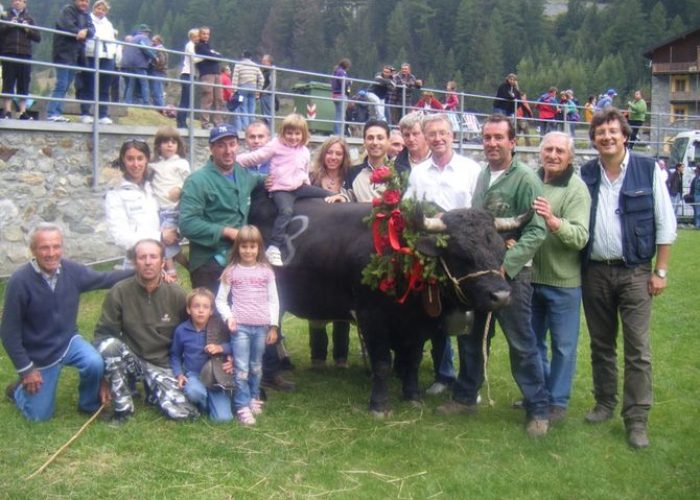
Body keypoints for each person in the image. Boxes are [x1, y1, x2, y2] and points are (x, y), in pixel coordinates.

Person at [437, 114, 550, 438]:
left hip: (511, 275)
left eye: (499, 137)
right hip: (481, 275)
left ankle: (538, 409)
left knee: (521, 343)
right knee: (471, 337)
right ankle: (464, 397)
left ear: (512, 142)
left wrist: (507, 263)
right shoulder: (484, 175)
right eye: (487, 137)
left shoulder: (526, 178)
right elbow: (477, 225)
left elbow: (536, 230)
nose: (492, 143)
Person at [580, 108, 676, 449]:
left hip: (635, 271)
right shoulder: (586, 173)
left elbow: (666, 224)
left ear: (624, 135)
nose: (606, 137)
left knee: (638, 350)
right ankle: (605, 403)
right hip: (594, 271)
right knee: (601, 345)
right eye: (600, 132)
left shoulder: (647, 170)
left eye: (612, 131)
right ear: (593, 139)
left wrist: (660, 271)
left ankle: (636, 420)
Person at [179, 124, 295, 392]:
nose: (228, 150)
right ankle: (215, 375)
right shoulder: (197, 181)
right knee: (215, 318)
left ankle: (266, 371)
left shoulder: (244, 175)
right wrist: (226, 231)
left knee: (254, 310)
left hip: (240, 260)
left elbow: (266, 180)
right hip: (208, 260)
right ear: (212, 149)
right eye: (221, 144)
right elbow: (187, 224)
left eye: (232, 144)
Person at [1, 223, 132, 421]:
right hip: (40, 355)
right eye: (45, 247)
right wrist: (26, 369)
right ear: (33, 250)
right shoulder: (19, 282)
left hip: (68, 342)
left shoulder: (71, 271)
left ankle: (89, 404)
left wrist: (143, 271)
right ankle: (18, 390)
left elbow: (105, 278)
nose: (51, 253)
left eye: (56, 246)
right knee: (39, 417)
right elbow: (8, 333)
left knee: (94, 362)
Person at [403, 113, 481, 395]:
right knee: (434, 310)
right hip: (430, 251)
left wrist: (448, 218)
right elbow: (408, 204)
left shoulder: (470, 169)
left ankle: (469, 380)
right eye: (432, 133)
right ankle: (444, 374)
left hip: (462, 253)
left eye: (442, 133)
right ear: (425, 137)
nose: (437, 138)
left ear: (452, 135)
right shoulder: (419, 171)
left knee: (465, 317)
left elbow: (477, 209)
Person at [95, 239, 199, 423]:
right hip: (132, 360)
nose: (148, 262)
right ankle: (123, 409)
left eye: (153, 257)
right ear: (135, 262)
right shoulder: (119, 292)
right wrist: (103, 377)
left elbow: (193, 332)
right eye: (142, 257)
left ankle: (153, 392)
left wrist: (186, 370)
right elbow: (103, 334)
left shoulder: (177, 294)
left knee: (184, 414)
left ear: (162, 261)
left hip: (162, 363)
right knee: (109, 345)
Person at [530, 132, 591, 423]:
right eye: (548, 149)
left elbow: (580, 237)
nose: (553, 155)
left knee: (563, 346)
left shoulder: (577, 190)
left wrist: (554, 222)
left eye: (559, 151)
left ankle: (557, 401)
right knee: (532, 342)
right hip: (530, 279)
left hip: (563, 282)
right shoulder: (531, 181)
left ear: (570, 157)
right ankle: (539, 394)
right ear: (540, 152)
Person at [236, 113, 333, 266]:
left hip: (300, 187)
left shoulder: (305, 151)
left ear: (303, 134)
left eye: (297, 133)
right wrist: (236, 160)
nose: (293, 137)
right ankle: (274, 246)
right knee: (286, 211)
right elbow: (256, 157)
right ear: (283, 133)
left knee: (327, 194)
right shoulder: (276, 145)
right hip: (281, 189)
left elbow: (304, 171)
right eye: (289, 133)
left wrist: (307, 186)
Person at [215, 225, 279, 425]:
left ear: (259, 248)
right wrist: (229, 317)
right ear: (237, 248)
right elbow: (220, 300)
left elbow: (273, 300)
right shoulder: (231, 272)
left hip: (260, 326)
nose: (248, 251)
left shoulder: (266, 272)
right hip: (240, 327)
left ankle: (253, 396)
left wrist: (273, 326)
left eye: (252, 246)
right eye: (244, 246)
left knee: (256, 366)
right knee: (241, 367)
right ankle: (242, 405)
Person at [308, 137, 353, 367]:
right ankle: (317, 355)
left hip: (344, 246)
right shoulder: (312, 177)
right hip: (316, 243)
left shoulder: (350, 178)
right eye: (330, 153)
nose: (333, 157)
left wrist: (344, 197)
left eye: (338, 153)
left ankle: (341, 356)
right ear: (323, 154)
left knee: (342, 300)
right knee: (317, 295)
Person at [105, 140, 176, 267]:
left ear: (147, 159)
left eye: (140, 158)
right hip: (135, 263)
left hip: (161, 261)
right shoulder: (115, 194)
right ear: (123, 160)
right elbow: (120, 237)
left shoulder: (154, 187)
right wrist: (159, 236)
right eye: (130, 159)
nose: (136, 164)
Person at [170, 287, 233, 422]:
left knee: (223, 419)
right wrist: (179, 374)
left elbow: (233, 346)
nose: (200, 310)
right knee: (195, 392)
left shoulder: (219, 328)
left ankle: (216, 402)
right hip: (194, 375)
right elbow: (175, 355)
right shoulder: (181, 330)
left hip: (216, 377)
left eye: (205, 307)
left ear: (211, 311)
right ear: (188, 309)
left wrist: (220, 348)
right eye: (196, 306)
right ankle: (202, 402)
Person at [149, 126, 191, 276]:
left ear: (178, 145)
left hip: (173, 209)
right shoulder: (154, 165)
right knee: (160, 240)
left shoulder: (181, 164)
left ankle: (171, 270)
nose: (169, 145)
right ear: (158, 145)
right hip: (158, 209)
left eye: (173, 142)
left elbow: (189, 183)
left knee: (165, 239)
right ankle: (187, 266)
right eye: (165, 142)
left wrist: (179, 189)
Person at [46, 0, 94, 122]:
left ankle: (58, 112)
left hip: (76, 55)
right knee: (61, 84)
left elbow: (92, 30)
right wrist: (78, 32)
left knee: (66, 85)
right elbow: (66, 25)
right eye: (82, 0)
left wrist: (85, 32)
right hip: (63, 52)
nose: (84, 3)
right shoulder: (68, 10)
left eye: (86, 1)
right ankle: (52, 113)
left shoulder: (86, 15)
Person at [0, 0, 41, 120]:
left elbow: (38, 37)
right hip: (9, 52)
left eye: (20, 0)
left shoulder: (29, 18)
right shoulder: (5, 15)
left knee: (24, 83)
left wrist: (27, 29)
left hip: (25, 54)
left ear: (25, 3)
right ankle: (7, 111)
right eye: (15, 0)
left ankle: (22, 112)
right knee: (8, 82)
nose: (17, 3)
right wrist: (9, 25)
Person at [77, 0, 116, 124]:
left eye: (103, 9)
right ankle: (85, 113)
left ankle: (102, 114)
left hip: (107, 56)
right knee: (89, 85)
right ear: (94, 8)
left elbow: (112, 40)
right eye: (98, 8)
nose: (100, 11)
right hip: (91, 55)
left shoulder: (108, 24)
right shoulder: (87, 19)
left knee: (104, 87)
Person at [346, 119, 395, 202]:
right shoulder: (352, 172)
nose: (375, 142)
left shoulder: (400, 171)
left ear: (388, 141)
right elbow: (346, 199)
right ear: (364, 141)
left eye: (380, 138)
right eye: (370, 138)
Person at [195, 26, 224, 129]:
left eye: (208, 34)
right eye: (204, 34)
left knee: (219, 98)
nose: (206, 36)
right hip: (207, 73)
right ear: (199, 35)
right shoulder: (199, 46)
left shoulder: (208, 46)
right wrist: (215, 56)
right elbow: (210, 56)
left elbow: (216, 57)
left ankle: (218, 121)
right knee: (208, 98)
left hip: (216, 73)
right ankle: (205, 122)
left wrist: (214, 56)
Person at [122, 24, 155, 106]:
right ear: (144, 32)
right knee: (144, 83)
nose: (148, 34)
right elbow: (145, 48)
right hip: (139, 64)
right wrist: (154, 57)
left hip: (130, 64)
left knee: (131, 84)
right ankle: (146, 103)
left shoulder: (133, 38)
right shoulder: (143, 38)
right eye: (147, 32)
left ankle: (127, 102)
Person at [231, 50, 264, 131]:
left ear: (243, 56)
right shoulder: (255, 66)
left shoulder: (238, 65)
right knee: (252, 108)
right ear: (251, 57)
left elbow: (235, 78)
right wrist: (258, 90)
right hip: (253, 88)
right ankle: (253, 127)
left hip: (242, 88)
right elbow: (261, 79)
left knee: (243, 107)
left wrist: (234, 90)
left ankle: (246, 128)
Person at [176, 28, 200, 129]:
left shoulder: (194, 46)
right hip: (187, 74)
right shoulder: (190, 45)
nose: (198, 38)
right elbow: (194, 58)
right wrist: (206, 58)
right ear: (192, 37)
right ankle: (181, 122)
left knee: (187, 99)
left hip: (192, 74)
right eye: (196, 36)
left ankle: (182, 121)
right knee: (185, 100)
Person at [331, 58, 351, 135]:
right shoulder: (342, 72)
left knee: (337, 115)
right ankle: (339, 134)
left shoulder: (335, 72)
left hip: (335, 95)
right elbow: (344, 84)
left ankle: (336, 132)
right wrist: (349, 82)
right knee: (341, 117)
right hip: (341, 95)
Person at [148, 34, 168, 108]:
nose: (152, 42)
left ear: (159, 41)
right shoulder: (156, 49)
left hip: (158, 72)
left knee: (157, 92)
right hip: (158, 72)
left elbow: (162, 61)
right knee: (156, 91)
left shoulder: (160, 50)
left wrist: (154, 65)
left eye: (154, 41)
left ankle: (161, 109)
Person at [259, 54, 274, 125]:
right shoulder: (264, 72)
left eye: (264, 61)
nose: (262, 62)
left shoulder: (271, 71)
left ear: (269, 62)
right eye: (262, 61)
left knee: (267, 115)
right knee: (264, 115)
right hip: (263, 95)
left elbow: (272, 83)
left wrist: (265, 91)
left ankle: (269, 131)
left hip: (267, 95)